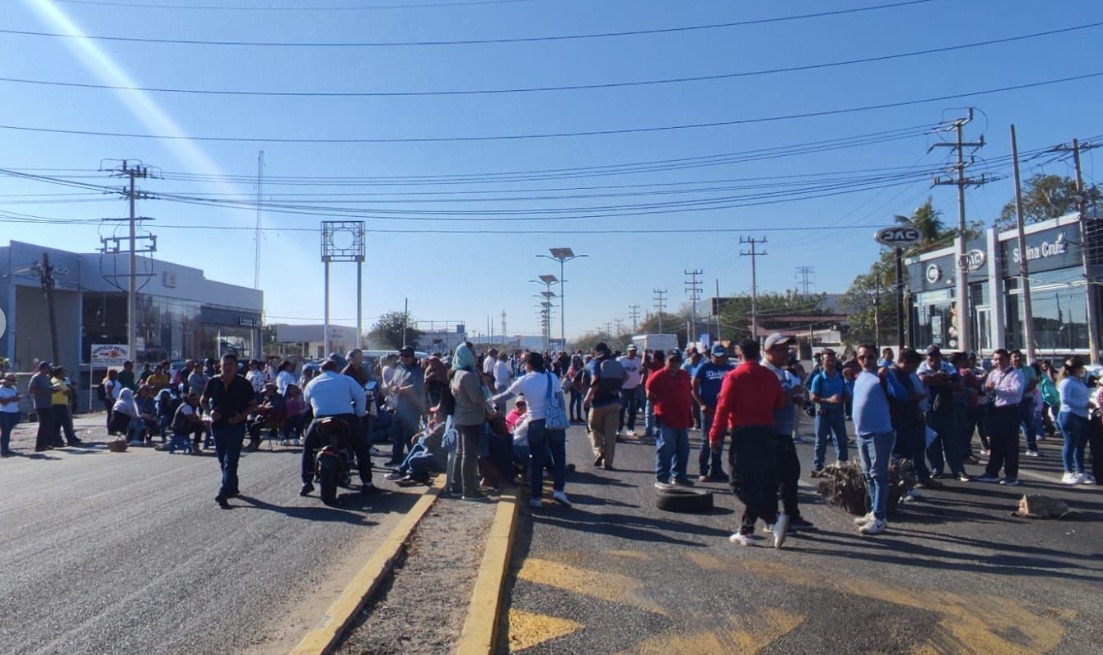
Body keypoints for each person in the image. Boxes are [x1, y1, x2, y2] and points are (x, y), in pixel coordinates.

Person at [710, 339, 786, 548]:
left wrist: (715, 435)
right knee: (757, 482)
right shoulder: (770, 375)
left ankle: (773, 518)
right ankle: (747, 530)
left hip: (744, 434)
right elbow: (779, 403)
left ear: (739, 353)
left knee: (738, 484)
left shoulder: (734, 376)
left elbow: (723, 408)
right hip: (767, 432)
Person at [493, 352, 571, 508]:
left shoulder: (524, 380)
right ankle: (559, 490)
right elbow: (561, 402)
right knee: (559, 458)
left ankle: (536, 498)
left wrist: (489, 400)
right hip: (554, 422)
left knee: (536, 460)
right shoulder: (552, 378)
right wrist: (561, 420)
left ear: (528, 364)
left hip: (535, 423)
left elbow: (506, 395)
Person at [850, 343, 911, 535]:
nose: (866, 361)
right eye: (862, 357)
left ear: (876, 357)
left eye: (870, 357)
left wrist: (890, 377)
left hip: (880, 432)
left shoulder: (882, 376)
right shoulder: (860, 376)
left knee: (878, 475)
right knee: (868, 474)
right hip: (862, 433)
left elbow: (902, 396)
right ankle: (874, 511)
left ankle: (880, 516)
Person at [299, 358, 375, 498]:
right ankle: (367, 482)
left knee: (308, 447)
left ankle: (306, 482)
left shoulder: (312, 383)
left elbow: (307, 400)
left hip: (320, 419)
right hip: (346, 418)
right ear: (336, 369)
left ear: (321, 370)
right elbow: (360, 397)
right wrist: (359, 413)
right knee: (361, 448)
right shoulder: (346, 380)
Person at [762, 334, 813, 532]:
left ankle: (792, 515)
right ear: (769, 351)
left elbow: (785, 397)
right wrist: (791, 395)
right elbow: (770, 400)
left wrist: (796, 398)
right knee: (772, 478)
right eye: (782, 349)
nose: (787, 353)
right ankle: (772, 519)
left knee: (791, 474)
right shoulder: (765, 372)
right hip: (771, 432)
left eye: (787, 349)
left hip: (784, 431)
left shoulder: (781, 372)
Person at [201, 353, 258, 509]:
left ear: (236, 366)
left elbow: (253, 404)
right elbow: (203, 400)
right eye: (224, 365)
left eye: (230, 365)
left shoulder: (244, 383)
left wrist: (241, 417)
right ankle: (232, 486)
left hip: (236, 425)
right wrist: (209, 412)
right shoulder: (213, 382)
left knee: (230, 460)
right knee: (222, 460)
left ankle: (223, 492)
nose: (227, 368)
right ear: (220, 366)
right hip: (218, 425)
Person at [918, 346, 969, 481]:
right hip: (930, 409)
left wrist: (938, 381)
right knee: (932, 441)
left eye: (936, 356)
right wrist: (939, 379)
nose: (933, 360)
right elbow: (924, 380)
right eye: (930, 357)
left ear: (940, 357)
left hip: (947, 407)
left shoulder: (948, 366)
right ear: (927, 357)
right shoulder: (923, 366)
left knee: (951, 441)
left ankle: (958, 470)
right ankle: (937, 468)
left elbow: (957, 385)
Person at [975, 349, 1024, 486]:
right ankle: (992, 472)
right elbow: (985, 389)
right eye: (996, 359)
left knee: (1010, 444)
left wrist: (996, 389)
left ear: (1008, 359)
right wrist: (986, 388)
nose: (998, 362)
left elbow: (1016, 391)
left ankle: (1011, 475)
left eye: (1001, 359)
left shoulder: (1016, 374)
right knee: (995, 443)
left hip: (1009, 411)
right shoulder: (993, 373)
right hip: (994, 410)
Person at [647, 351, 694, 489]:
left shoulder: (684, 375)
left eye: (677, 362)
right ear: (666, 361)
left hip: (683, 418)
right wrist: (658, 407)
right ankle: (662, 478)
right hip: (666, 418)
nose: (674, 364)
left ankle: (679, 476)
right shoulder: (658, 376)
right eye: (671, 361)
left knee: (683, 449)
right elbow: (650, 395)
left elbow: (688, 392)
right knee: (666, 447)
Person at [450, 343, 492, 500]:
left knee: (461, 453)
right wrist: (483, 385)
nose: (475, 355)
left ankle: (456, 486)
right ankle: (469, 491)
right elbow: (476, 397)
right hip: (471, 419)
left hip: (461, 417)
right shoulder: (468, 375)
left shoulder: (457, 372)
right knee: (470, 456)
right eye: (473, 352)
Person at [692, 344, 734, 482]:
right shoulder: (705, 367)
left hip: (723, 410)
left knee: (720, 440)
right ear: (712, 356)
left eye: (723, 357)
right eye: (718, 357)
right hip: (708, 409)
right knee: (706, 440)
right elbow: (693, 386)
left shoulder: (729, 368)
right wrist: (701, 404)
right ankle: (703, 470)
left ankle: (716, 469)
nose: (721, 360)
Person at [582, 342, 625, 470]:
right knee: (610, 434)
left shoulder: (593, 363)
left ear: (595, 351)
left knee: (594, 428)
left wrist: (587, 398)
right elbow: (626, 376)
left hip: (598, 403)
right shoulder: (614, 362)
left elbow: (595, 381)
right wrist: (616, 388)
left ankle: (599, 452)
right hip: (614, 402)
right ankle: (608, 463)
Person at [809, 349, 849, 475]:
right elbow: (813, 397)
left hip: (837, 411)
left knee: (841, 439)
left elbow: (847, 394)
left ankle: (842, 463)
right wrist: (828, 400)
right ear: (822, 362)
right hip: (823, 412)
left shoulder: (840, 377)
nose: (830, 363)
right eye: (828, 360)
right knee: (820, 441)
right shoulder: (819, 378)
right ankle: (818, 465)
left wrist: (842, 399)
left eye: (832, 360)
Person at [1056, 357, 1095, 485]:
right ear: (1076, 369)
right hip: (1070, 415)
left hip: (1082, 416)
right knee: (1070, 443)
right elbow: (1065, 400)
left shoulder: (1079, 381)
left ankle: (1080, 471)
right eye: (1080, 368)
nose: (1082, 370)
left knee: (1080, 445)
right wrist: (1084, 404)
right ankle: (1068, 471)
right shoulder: (1066, 382)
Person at [387, 346, 426, 466]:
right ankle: (396, 458)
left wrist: (401, 390)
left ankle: (413, 461)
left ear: (412, 357)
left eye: (406, 356)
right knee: (396, 435)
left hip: (411, 407)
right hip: (398, 406)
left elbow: (418, 386)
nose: (404, 358)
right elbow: (393, 382)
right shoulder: (399, 367)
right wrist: (391, 386)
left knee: (410, 436)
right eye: (402, 356)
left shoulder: (417, 370)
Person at [1011, 350, 1042, 457]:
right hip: (1013, 402)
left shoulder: (1029, 369)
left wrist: (1022, 393)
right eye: (1015, 356)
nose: (1018, 358)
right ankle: (1013, 448)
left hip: (1027, 400)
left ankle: (1031, 448)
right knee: (1013, 426)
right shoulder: (1009, 371)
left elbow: (1033, 383)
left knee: (1030, 425)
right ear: (1011, 358)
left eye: (1019, 356)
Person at [29, 361, 58, 452]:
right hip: (40, 405)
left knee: (49, 425)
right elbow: (31, 390)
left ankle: (47, 443)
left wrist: (53, 390)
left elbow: (49, 388)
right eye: (48, 368)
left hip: (48, 404)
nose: (49, 369)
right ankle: (39, 446)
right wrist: (46, 392)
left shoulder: (47, 378)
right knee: (43, 425)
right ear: (43, 368)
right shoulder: (36, 378)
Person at [617, 344, 645, 437]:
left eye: (634, 351)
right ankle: (619, 429)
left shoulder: (638, 360)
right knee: (621, 409)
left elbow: (642, 371)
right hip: (623, 388)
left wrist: (640, 381)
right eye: (631, 351)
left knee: (632, 409)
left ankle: (630, 428)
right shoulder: (621, 360)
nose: (632, 352)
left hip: (634, 387)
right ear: (627, 351)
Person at [50, 366, 81, 447]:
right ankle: (70, 440)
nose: (64, 374)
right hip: (59, 404)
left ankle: (56, 440)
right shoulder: (58, 381)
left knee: (56, 424)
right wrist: (69, 391)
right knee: (66, 423)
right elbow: (67, 391)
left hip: (57, 404)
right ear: (59, 374)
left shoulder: (53, 380)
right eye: (63, 372)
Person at [0, 373, 21, 456]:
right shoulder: (1, 389)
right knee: (5, 431)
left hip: (14, 411)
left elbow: (17, 396)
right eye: (10, 381)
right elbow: (1, 401)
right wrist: (11, 399)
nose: (11, 383)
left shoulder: (14, 388)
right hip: (4, 412)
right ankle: (4, 450)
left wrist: (17, 398)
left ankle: (6, 448)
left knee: (8, 431)